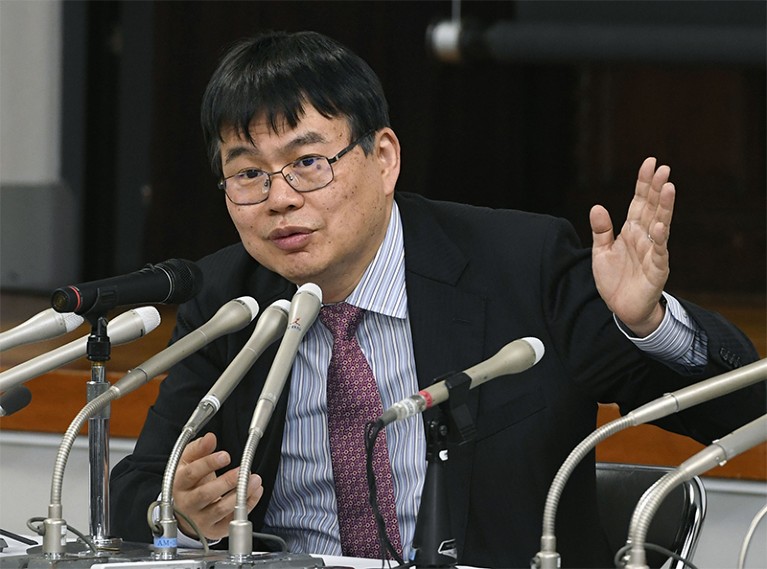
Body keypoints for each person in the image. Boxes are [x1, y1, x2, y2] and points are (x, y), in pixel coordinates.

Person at [111, 30, 764, 568]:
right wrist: (176, 506)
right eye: (248, 172)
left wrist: (647, 322)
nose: (279, 196)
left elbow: (737, 409)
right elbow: (138, 487)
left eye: (308, 162)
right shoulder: (229, 301)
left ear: (384, 156)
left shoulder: (518, 264)